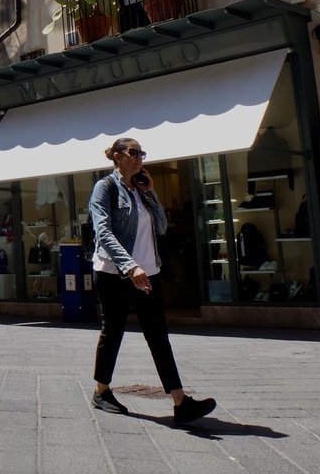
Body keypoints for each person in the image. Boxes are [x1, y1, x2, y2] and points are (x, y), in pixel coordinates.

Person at [89, 137, 216, 425]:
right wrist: (130, 267)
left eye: (141, 153)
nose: (139, 158)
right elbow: (103, 233)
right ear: (117, 156)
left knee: (158, 334)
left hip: (149, 272)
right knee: (114, 330)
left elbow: (160, 227)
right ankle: (101, 391)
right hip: (115, 273)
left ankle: (180, 401)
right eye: (133, 153)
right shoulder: (105, 187)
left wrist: (152, 193)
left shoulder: (141, 191)